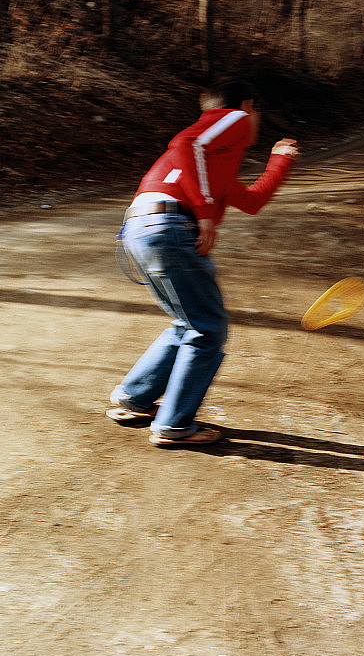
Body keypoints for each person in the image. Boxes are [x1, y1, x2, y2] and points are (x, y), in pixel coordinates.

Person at [108, 78, 299, 447]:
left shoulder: (209, 170)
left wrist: (279, 161)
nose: (256, 121)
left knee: (189, 322)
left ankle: (134, 398)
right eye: (257, 112)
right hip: (170, 225)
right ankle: (174, 426)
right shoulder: (234, 119)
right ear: (248, 105)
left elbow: (252, 201)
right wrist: (204, 212)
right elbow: (185, 142)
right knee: (208, 330)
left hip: (140, 227)